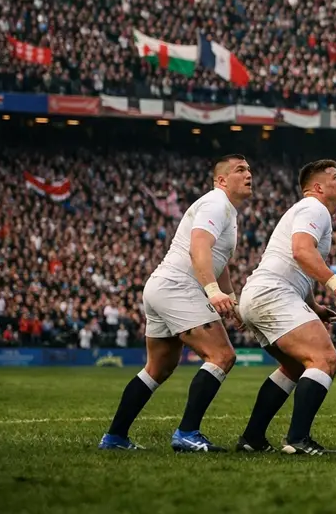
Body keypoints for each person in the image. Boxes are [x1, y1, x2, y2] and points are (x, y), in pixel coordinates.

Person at [98, 155, 253, 452]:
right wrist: (211, 290)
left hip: (161, 286)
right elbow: (199, 248)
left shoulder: (228, 211)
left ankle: (115, 437)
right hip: (179, 286)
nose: (249, 175)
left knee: (158, 367)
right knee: (222, 356)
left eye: (249, 170)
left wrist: (230, 299)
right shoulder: (216, 203)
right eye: (240, 170)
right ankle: (187, 433)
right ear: (221, 180)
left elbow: (219, 261)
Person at [236, 160, 336, 455]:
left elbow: (295, 266)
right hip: (273, 293)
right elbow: (301, 251)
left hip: (262, 293)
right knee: (325, 359)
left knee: (295, 366)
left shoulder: (307, 211)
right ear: (318, 187)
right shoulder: (314, 208)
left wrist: (314, 306)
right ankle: (297, 440)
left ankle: (252, 438)